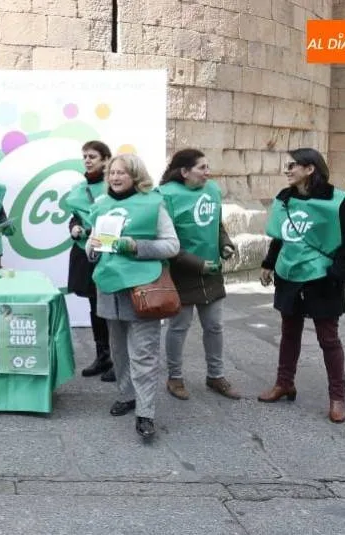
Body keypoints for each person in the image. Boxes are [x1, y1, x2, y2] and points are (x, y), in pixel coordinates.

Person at [258, 148, 345, 423]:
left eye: (292, 165)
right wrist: (269, 263)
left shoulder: (335, 201)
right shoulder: (285, 199)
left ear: (310, 169)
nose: (287, 170)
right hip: (289, 274)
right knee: (289, 332)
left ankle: (338, 397)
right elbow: (281, 236)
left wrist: (335, 274)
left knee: (328, 339)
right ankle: (284, 383)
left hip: (322, 278)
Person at [86, 153, 179, 440]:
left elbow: (172, 246)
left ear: (135, 176)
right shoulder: (100, 205)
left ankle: (145, 413)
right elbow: (91, 247)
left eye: (122, 173)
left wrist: (134, 245)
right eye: (112, 172)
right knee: (118, 351)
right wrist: (91, 247)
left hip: (142, 290)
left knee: (144, 354)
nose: (115, 177)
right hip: (109, 288)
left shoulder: (154, 203)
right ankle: (126, 395)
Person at [158, 149, 240, 401]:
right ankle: (175, 377)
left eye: (208, 166)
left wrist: (224, 243)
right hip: (181, 273)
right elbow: (165, 240)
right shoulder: (165, 196)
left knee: (214, 326)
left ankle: (215, 375)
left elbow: (217, 224)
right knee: (179, 326)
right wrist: (197, 264)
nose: (208, 172)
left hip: (210, 272)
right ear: (184, 172)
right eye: (202, 167)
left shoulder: (212, 190)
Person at [64, 141, 115, 382]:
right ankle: (102, 356)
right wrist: (75, 228)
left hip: (109, 253)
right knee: (95, 306)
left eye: (92, 156)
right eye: (84, 156)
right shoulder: (79, 188)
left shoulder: (114, 186)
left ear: (106, 159)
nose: (87, 160)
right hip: (85, 253)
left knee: (112, 307)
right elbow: (75, 217)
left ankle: (118, 359)